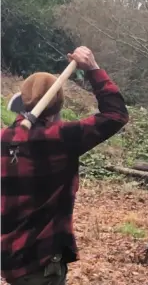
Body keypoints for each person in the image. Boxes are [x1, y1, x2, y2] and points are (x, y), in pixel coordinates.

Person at [1, 46, 129, 285]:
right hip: (41, 264)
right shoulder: (60, 138)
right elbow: (116, 115)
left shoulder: (2, 140)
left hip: (8, 262)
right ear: (58, 105)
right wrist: (92, 68)